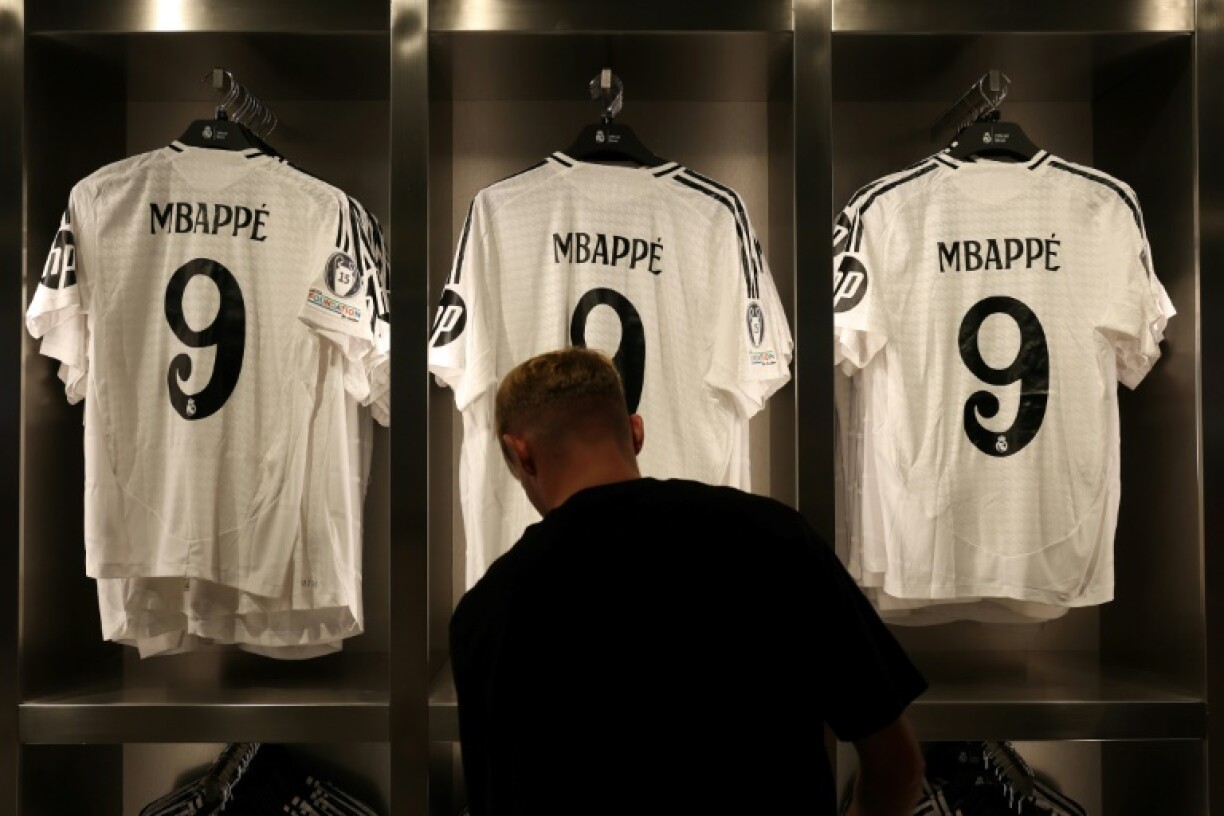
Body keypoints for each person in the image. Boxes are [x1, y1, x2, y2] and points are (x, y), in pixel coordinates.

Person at [449, 348, 927, 816]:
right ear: (636, 432)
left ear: (520, 453)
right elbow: (897, 767)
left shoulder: (487, 613)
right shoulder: (778, 539)